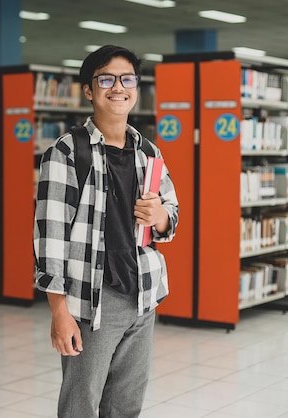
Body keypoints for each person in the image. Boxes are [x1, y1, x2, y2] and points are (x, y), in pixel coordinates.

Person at [33, 45, 179, 417]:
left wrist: (160, 215)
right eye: (106, 79)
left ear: (137, 88)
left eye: (127, 79)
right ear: (89, 90)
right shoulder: (67, 153)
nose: (118, 87)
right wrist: (59, 313)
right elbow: (49, 238)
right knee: (81, 403)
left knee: (126, 405)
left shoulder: (148, 152)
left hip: (143, 295)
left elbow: (171, 217)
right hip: (92, 299)